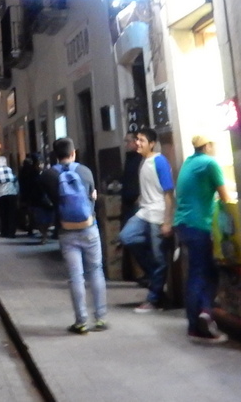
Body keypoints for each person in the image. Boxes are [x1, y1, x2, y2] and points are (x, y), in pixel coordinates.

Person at [40, 137, 108, 334]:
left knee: (75, 276)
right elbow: (91, 196)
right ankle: (101, 318)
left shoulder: (48, 175)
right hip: (89, 228)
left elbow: (46, 200)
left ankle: (81, 322)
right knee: (96, 270)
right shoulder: (85, 171)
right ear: (73, 153)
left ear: (55, 155)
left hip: (66, 230)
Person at [174, 135, 231, 343]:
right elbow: (226, 197)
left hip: (183, 224)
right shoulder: (210, 163)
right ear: (207, 146)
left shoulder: (188, 163)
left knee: (201, 271)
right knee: (202, 273)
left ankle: (204, 313)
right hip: (199, 226)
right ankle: (198, 323)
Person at [120, 127, 175, 312]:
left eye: (142, 140)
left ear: (152, 143)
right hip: (144, 212)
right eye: (137, 140)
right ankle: (154, 275)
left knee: (159, 257)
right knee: (126, 236)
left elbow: (168, 193)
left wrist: (167, 221)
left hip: (158, 214)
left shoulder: (159, 161)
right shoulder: (142, 161)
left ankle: (154, 298)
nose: (138, 143)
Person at [0, 155, 19, 238]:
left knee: (3, 214)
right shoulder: (9, 169)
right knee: (11, 214)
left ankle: (4, 231)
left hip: (1, 194)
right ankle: (12, 232)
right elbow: (13, 179)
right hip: (12, 193)